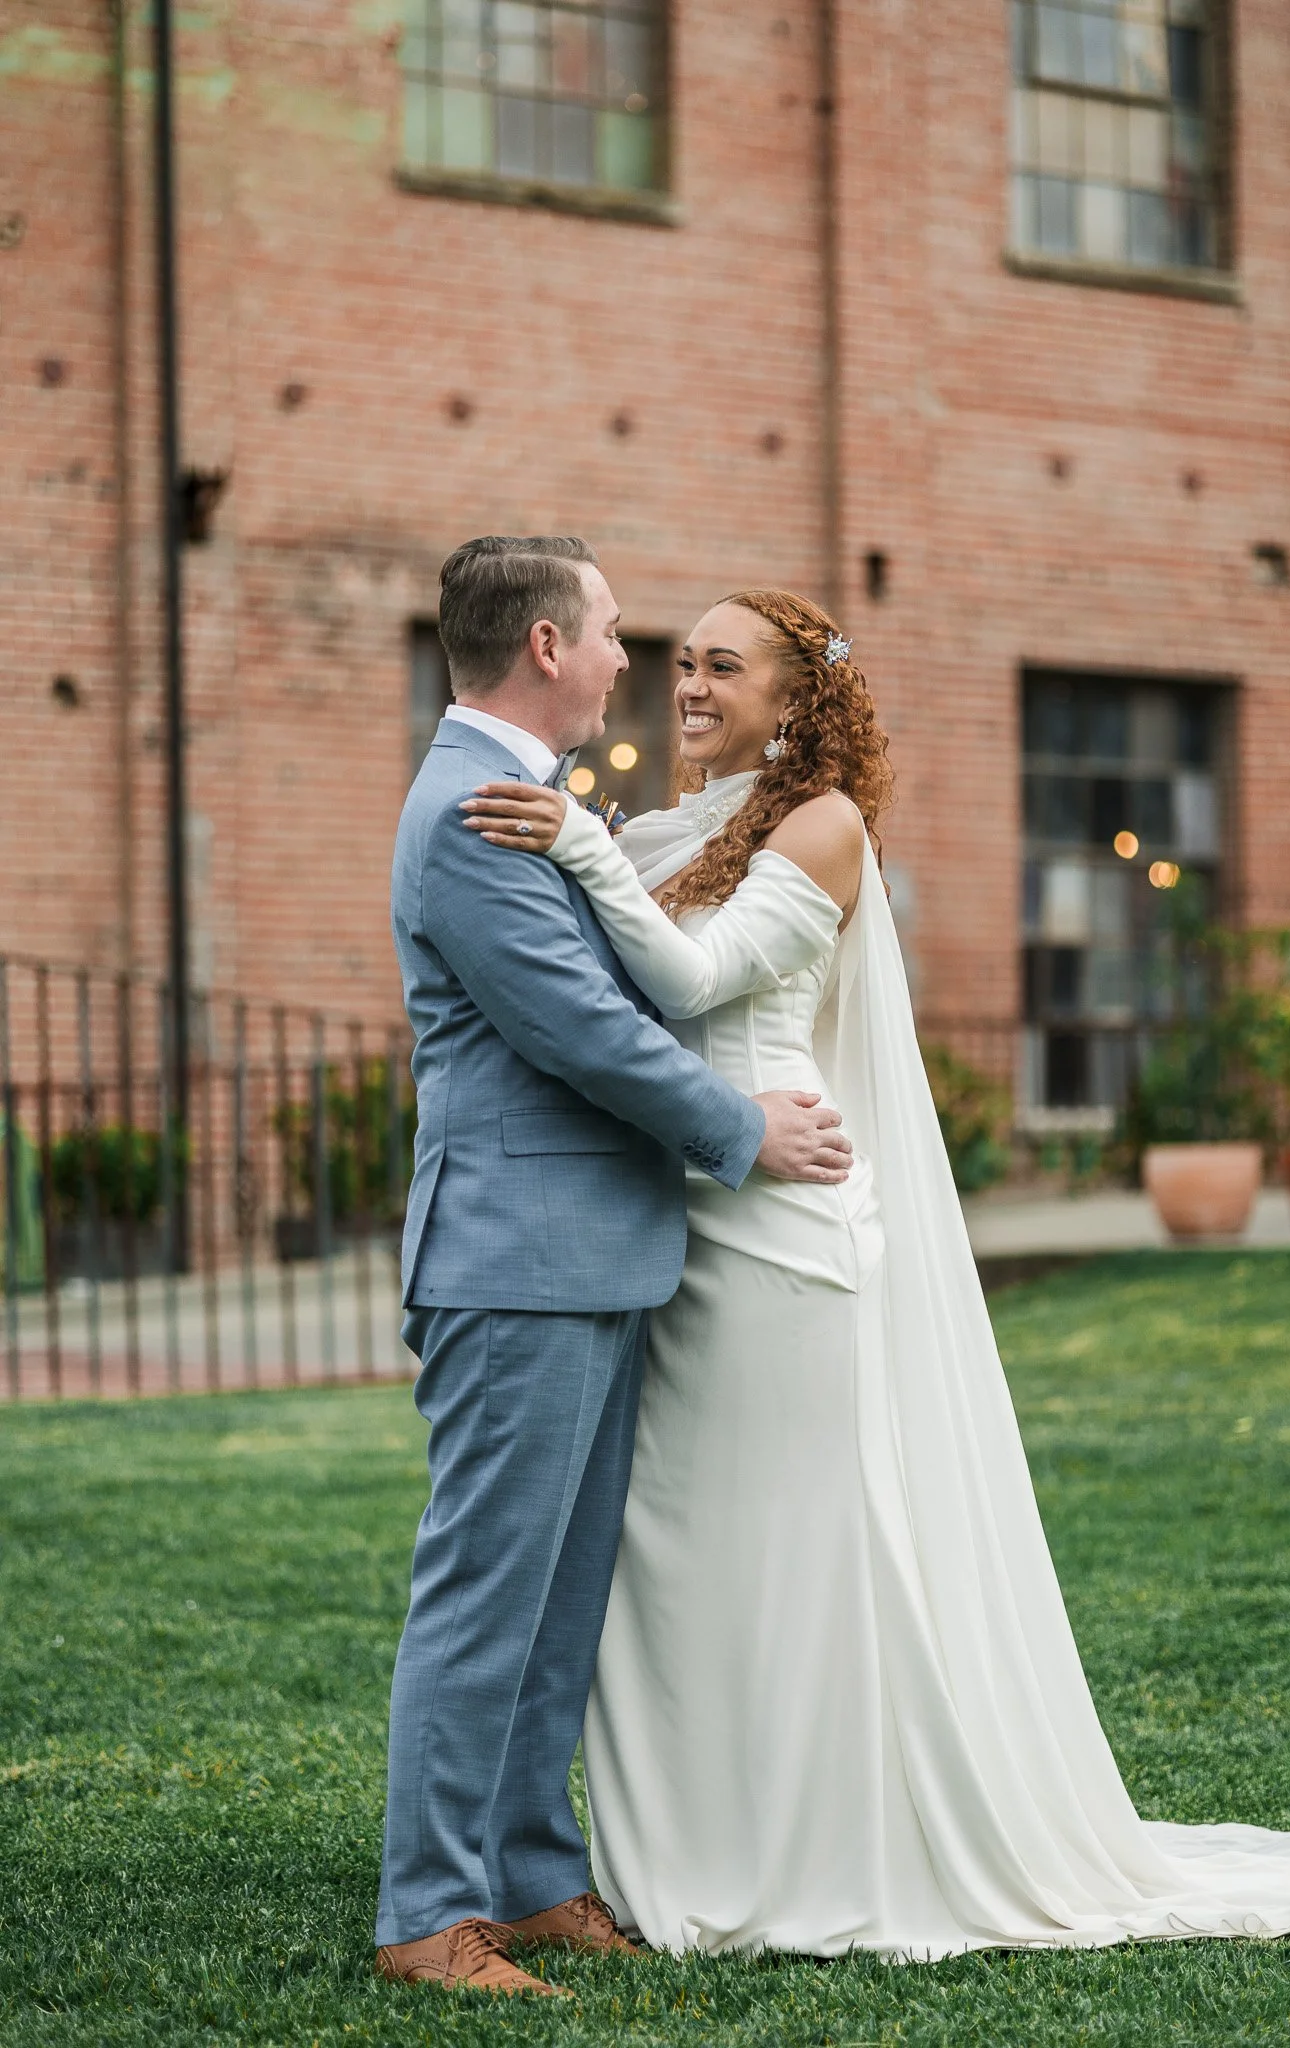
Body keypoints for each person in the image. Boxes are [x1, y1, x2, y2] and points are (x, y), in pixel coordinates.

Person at [463, 584, 1290, 1961]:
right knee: (685, 1567)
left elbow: (700, 981)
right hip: (680, 1238)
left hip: (783, 1233)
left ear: (795, 696)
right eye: (680, 662)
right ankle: (703, 1848)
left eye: (724, 666)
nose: (688, 685)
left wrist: (577, 843)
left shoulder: (823, 827)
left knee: (808, 1555)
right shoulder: (660, 828)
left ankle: (837, 1849)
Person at [376, 539, 851, 1998]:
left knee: (559, 1597)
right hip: (518, 1257)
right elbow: (581, 1025)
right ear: (540, 645)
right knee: (487, 1591)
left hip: (589, 1256)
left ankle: (525, 1875)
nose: (623, 663)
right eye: (608, 636)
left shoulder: (532, 800)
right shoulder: (476, 807)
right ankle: (428, 1914)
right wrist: (740, 1126)